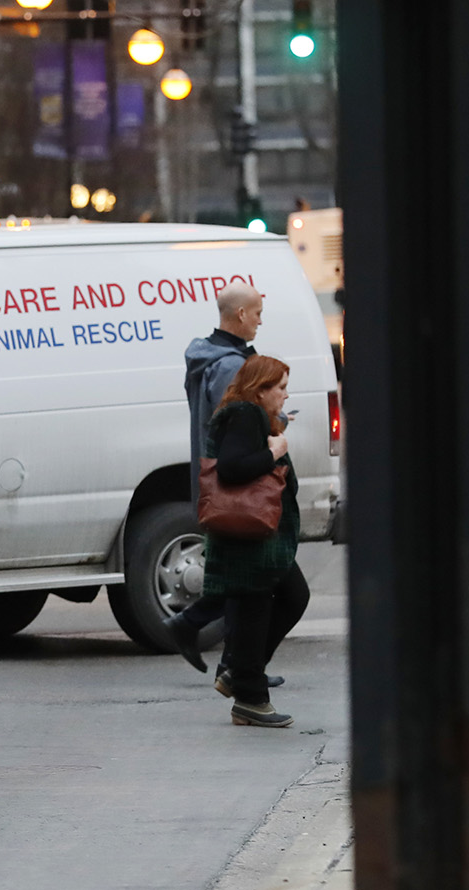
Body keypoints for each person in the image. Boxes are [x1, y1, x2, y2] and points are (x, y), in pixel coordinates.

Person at [201, 354, 308, 728]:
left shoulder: (250, 413)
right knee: (259, 607)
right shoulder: (245, 414)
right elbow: (231, 468)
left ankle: (242, 675)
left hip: (261, 535)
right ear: (259, 390)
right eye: (279, 388)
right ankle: (249, 696)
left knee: (285, 598)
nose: (284, 394)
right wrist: (273, 453)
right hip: (252, 533)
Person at [166, 284, 264, 673]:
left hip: (214, 484)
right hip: (232, 487)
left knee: (243, 578)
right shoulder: (228, 366)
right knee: (252, 579)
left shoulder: (209, 357)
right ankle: (193, 628)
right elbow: (239, 426)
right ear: (240, 315)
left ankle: (232, 663)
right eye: (256, 313)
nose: (260, 320)